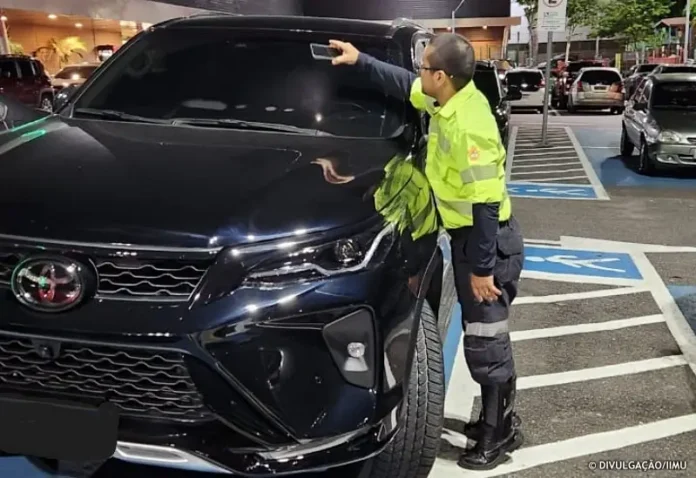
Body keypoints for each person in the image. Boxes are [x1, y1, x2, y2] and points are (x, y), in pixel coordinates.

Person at [329, 33, 525, 470]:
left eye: (424, 67)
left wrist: (482, 268)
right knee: (484, 336)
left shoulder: (469, 124)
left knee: (486, 339)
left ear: (442, 76)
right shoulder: (447, 100)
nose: (419, 73)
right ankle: (497, 421)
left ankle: (498, 434)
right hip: (470, 238)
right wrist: (360, 60)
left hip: (486, 241)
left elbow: (486, 203)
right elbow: (404, 85)